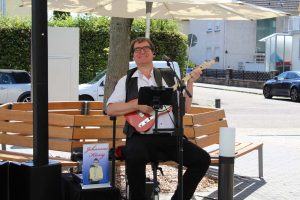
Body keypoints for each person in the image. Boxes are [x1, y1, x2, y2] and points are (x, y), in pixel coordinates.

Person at [106, 37, 211, 200]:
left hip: (169, 137)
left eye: (145, 48)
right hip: (140, 137)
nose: (141, 52)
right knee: (133, 158)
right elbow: (110, 109)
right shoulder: (127, 81)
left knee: (202, 159)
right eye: (137, 50)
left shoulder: (168, 77)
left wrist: (190, 83)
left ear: (153, 53)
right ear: (133, 56)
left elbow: (184, 109)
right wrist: (137, 106)